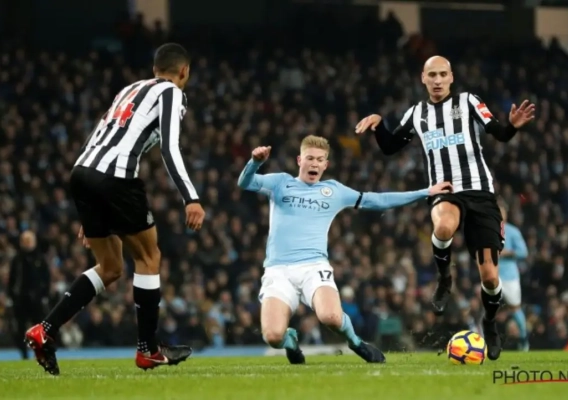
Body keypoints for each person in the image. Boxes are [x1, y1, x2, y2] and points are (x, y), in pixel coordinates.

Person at [25, 43, 205, 375]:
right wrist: (190, 197)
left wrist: (90, 206)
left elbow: (97, 136)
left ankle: (44, 329)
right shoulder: (171, 93)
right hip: (116, 177)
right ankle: (148, 349)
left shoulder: (129, 90)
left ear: (154, 69)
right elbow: (170, 147)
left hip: (83, 172)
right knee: (149, 257)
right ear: (184, 71)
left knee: (110, 267)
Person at [354, 55, 535, 360]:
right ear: (423, 78)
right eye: (432, 75)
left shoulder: (469, 102)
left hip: (480, 193)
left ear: (451, 77)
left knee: (490, 278)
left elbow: (500, 134)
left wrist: (513, 127)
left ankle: (490, 323)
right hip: (445, 189)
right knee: (443, 226)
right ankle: (444, 278)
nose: (437, 80)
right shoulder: (416, 113)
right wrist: (378, 125)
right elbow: (390, 146)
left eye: (442, 74)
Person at [237, 135, 452, 364]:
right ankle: (290, 341)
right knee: (272, 336)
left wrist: (425, 192)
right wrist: (255, 162)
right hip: (278, 270)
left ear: (326, 165)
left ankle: (356, 342)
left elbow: (377, 200)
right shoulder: (280, 182)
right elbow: (245, 183)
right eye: (310, 158)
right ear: (300, 160)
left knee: (330, 317)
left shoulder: (333, 191)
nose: (314, 163)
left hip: (313, 267)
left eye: (320, 159)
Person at [8, 231, 49, 360]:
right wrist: (13, 295)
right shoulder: (17, 259)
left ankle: (40, 351)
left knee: (39, 328)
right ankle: (24, 354)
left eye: (29, 241)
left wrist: (44, 294)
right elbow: (12, 279)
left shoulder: (40, 259)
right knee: (20, 328)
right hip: (21, 299)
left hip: (36, 300)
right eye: (25, 241)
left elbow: (46, 279)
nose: (27, 243)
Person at [498, 203, 529, 351]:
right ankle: (481, 340)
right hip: (490, 275)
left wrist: (506, 253)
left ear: (506, 215)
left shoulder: (512, 231)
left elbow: (523, 252)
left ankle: (524, 341)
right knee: (484, 306)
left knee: (515, 308)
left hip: (509, 276)